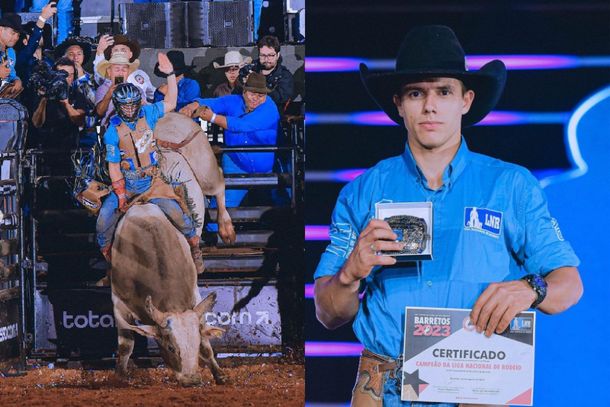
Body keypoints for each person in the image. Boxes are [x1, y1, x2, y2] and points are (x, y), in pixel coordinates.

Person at [313, 25, 584, 406]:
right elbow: (328, 313)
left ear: (466, 100)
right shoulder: (362, 192)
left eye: (444, 91)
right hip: (382, 391)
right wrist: (349, 273)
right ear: (398, 104)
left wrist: (530, 289)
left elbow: (569, 285)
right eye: (415, 93)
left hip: (481, 386)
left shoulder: (511, 185)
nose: (429, 105)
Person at [96, 52, 205, 278]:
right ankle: (108, 258)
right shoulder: (112, 131)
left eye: (131, 105)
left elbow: (171, 102)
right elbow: (113, 165)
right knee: (103, 222)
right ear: (117, 105)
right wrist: (121, 194)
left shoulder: (149, 112)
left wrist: (171, 75)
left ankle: (194, 246)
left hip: (152, 181)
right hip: (127, 182)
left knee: (178, 214)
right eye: (124, 106)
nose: (129, 110)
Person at [179, 72, 280, 207]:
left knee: (278, 209)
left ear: (266, 95)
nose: (256, 98)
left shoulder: (270, 108)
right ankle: (212, 227)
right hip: (236, 163)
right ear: (244, 91)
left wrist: (213, 117)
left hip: (264, 169)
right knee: (221, 207)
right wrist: (194, 105)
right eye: (252, 94)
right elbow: (212, 102)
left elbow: (243, 125)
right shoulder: (233, 101)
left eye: (260, 95)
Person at [30, 57, 90, 150]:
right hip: (46, 149)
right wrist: (44, 100)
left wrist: (66, 103)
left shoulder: (77, 94)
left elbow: (79, 121)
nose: (67, 79)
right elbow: (37, 123)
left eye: (71, 75)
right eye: (63, 75)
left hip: (70, 149)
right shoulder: (44, 94)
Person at [237, 35, 294, 113]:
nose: (266, 59)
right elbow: (237, 94)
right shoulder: (250, 68)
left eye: (270, 55)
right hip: (245, 115)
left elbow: (279, 99)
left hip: (270, 117)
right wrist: (241, 78)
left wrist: (256, 82)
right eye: (263, 55)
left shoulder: (285, 76)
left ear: (277, 55)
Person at [93, 34, 155, 102]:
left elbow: (151, 94)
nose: (120, 53)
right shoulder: (108, 74)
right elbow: (98, 75)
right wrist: (100, 51)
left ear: (131, 54)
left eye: (123, 50)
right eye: (116, 50)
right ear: (111, 55)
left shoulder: (140, 74)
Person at [94, 51, 140, 127]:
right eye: (117, 69)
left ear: (128, 72)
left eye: (124, 70)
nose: (120, 73)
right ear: (109, 72)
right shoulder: (103, 89)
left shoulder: (136, 89)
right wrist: (108, 94)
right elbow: (99, 113)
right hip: (110, 129)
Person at [0, 13, 24, 98]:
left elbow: (12, 74)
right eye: (13, 33)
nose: (15, 38)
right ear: (1, 30)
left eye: (18, 35)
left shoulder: (11, 52)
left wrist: (17, 80)